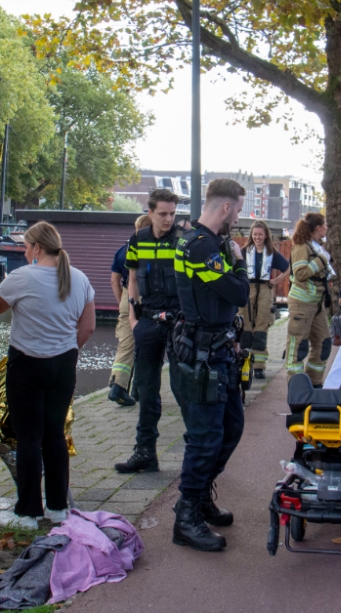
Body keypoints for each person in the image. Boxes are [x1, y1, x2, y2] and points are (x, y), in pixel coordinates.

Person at [0, 221, 96, 529]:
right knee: (55, 435)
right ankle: (58, 508)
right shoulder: (81, 278)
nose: (24, 251)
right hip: (63, 366)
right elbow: (87, 328)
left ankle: (29, 512)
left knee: (29, 438)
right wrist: (66, 353)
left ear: (37, 248)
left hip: (27, 366)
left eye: (26, 246)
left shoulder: (22, 277)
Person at [171, 178, 250, 551]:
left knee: (231, 427)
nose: (238, 216)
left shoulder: (203, 242)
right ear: (225, 207)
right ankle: (186, 516)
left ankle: (200, 497)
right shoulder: (201, 247)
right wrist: (239, 261)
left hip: (218, 352)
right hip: (204, 355)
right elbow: (238, 293)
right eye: (237, 209)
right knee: (204, 439)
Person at [115, 190, 182, 475]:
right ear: (150, 212)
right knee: (146, 389)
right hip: (148, 322)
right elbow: (131, 277)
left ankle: (197, 455)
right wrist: (133, 317)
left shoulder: (184, 241)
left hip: (179, 324)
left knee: (184, 388)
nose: (168, 219)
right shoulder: (137, 241)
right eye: (163, 214)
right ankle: (145, 452)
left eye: (172, 214)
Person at [286, 213, 336, 386]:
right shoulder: (302, 246)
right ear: (318, 227)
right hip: (302, 303)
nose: (327, 228)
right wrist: (322, 260)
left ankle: (314, 384)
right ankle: (296, 387)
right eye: (325, 224)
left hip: (316, 304)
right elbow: (300, 274)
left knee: (324, 343)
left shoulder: (315, 246)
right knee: (298, 346)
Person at [107, 214, 151, 406]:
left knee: (126, 344)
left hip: (127, 295)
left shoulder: (123, 249)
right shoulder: (153, 250)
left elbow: (114, 280)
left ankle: (118, 385)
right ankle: (140, 389)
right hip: (149, 297)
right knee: (148, 344)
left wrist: (122, 303)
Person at [239, 221, 290, 379]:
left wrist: (276, 281)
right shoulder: (244, 251)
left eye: (260, 234)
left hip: (265, 290)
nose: (257, 237)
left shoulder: (271, 252)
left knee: (261, 326)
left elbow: (288, 268)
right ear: (251, 235)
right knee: (245, 326)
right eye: (255, 234)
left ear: (266, 235)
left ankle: (259, 366)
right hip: (248, 289)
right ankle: (244, 363)